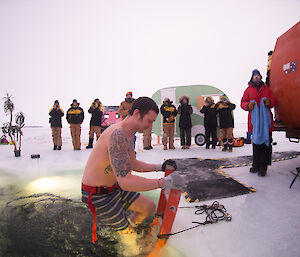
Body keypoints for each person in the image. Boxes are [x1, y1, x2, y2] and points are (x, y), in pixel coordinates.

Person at [81, 97, 185, 255]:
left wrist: (159, 167)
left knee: (148, 208)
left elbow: (132, 164)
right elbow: (126, 181)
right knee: (132, 244)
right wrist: (163, 182)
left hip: (113, 187)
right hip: (97, 194)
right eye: (149, 121)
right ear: (137, 113)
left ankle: (124, 228)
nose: (150, 126)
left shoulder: (127, 134)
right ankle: (125, 235)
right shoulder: (118, 135)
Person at [241, 69, 276, 176]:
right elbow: (242, 103)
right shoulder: (248, 90)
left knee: (266, 144)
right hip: (254, 122)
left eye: (258, 75)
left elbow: (274, 101)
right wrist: (248, 105)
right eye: (254, 76)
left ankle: (263, 167)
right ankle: (256, 165)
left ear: (260, 77)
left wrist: (269, 102)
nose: (256, 77)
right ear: (252, 78)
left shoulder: (267, 89)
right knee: (256, 144)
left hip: (266, 122)